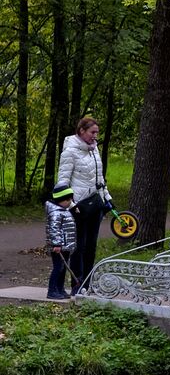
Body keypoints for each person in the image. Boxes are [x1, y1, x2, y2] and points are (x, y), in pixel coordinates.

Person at [56, 116, 112, 294]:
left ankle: (88, 283)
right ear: (81, 131)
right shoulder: (70, 152)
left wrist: (107, 198)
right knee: (79, 247)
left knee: (91, 246)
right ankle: (77, 284)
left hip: (95, 205)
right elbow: (62, 183)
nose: (95, 136)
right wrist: (71, 205)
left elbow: (99, 179)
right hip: (78, 207)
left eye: (97, 132)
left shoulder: (94, 150)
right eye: (92, 132)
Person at [45, 184, 77, 300]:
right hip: (58, 247)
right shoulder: (56, 212)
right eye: (68, 200)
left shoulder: (64, 210)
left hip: (66, 246)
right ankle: (52, 290)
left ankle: (60, 289)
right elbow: (54, 229)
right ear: (61, 200)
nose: (70, 202)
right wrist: (56, 244)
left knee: (63, 268)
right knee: (58, 267)